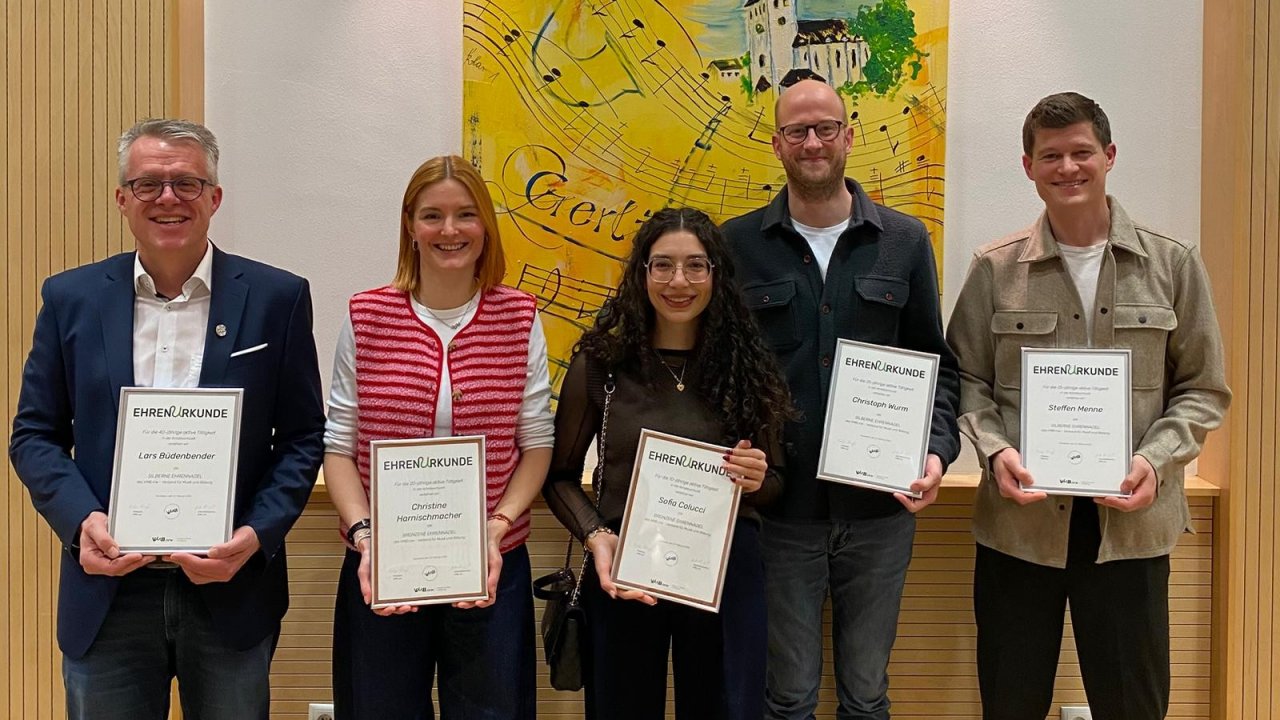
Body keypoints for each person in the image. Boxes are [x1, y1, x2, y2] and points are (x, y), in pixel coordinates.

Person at [8, 118, 326, 719]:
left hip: (231, 586)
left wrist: (254, 536)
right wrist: (83, 523)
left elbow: (305, 437)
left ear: (215, 198)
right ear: (122, 198)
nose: (169, 198)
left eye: (186, 182)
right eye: (149, 184)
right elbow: (34, 435)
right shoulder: (70, 298)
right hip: (108, 589)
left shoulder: (277, 297)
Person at [946, 92, 1231, 719]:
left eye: (1081, 152)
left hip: (1131, 528)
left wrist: (1155, 462)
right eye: (1051, 156)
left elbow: (1203, 388)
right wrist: (995, 452)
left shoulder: (1172, 263)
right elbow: (966, 379)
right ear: (1028, 166)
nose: (1067, 168)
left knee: (1133, 704)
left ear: (1109, 155)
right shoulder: (994, 270)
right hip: (1019, 530)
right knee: (1011, 702)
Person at [720, 79, 961, 719]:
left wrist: (936, 454)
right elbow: (722, 371)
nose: (813, 142)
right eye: (797, 131)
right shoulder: (736, 244)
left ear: (849, 136)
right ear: (777, 145)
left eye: (826, 127)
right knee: (790, 696)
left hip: (880, 513)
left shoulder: (905, 242)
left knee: (866, 694)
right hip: (780, 514)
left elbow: (935, 367)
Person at [324, 154, 553, 719]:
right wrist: (366, 535)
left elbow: (537, 442)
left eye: (465, 215)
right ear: (410, 224)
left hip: (491, 561)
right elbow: (339, 444)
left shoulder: (518, 315)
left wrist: (496, 528)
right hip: (383, 563)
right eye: (432, 215)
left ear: (485, 226)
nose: (449, 231)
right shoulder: (367, 314)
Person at [543, 207, 793, 720]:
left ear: (716, 276)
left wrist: (756, 478)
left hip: (725, 572)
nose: (679, 281)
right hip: (626, 568)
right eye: (662, 266)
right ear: (642, 274)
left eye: (696, 266)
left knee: (726, 707)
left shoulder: (746, 363)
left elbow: (775, 484)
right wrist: (595, 535)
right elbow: (560, 476)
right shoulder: (601, 363)